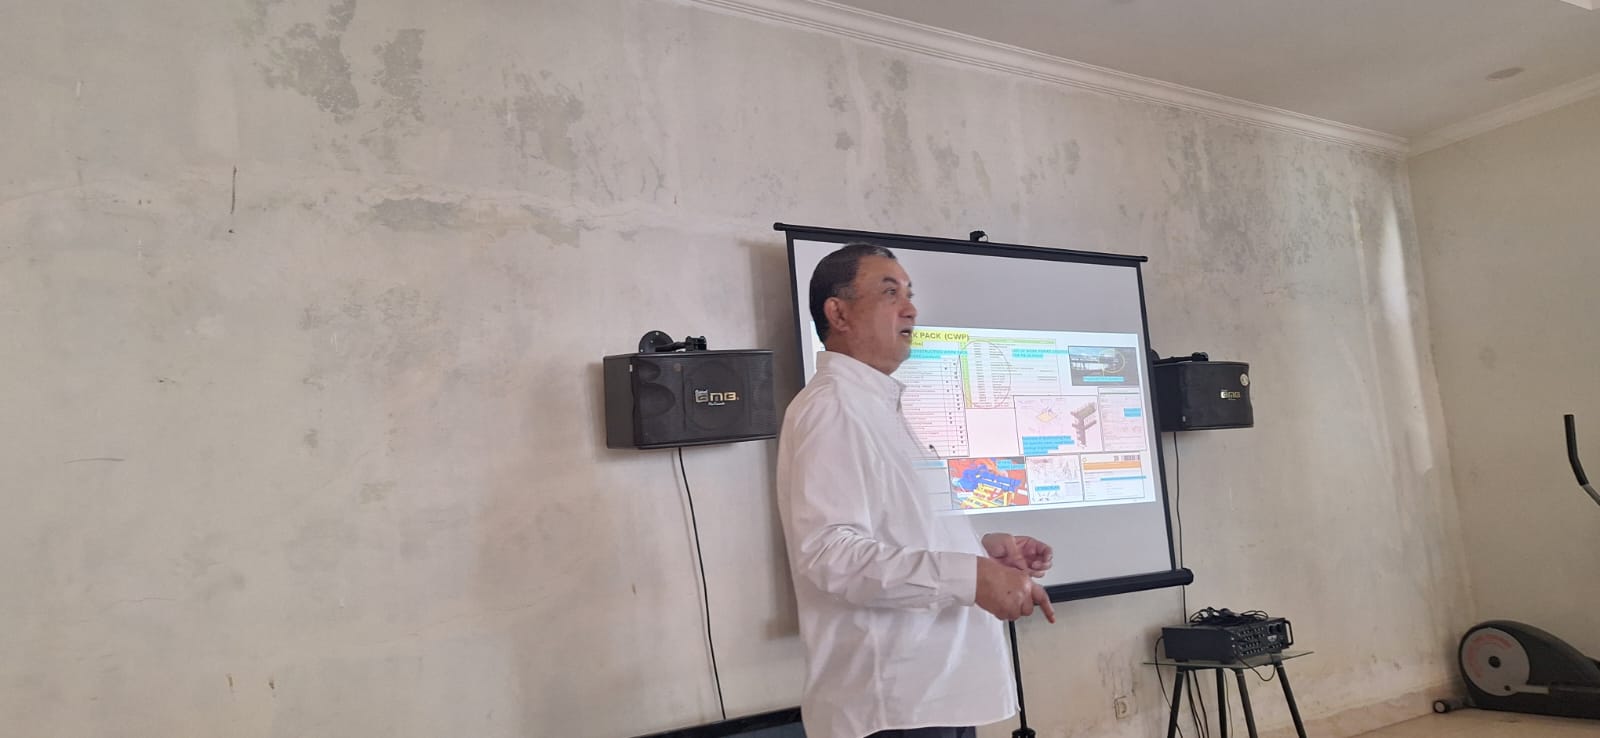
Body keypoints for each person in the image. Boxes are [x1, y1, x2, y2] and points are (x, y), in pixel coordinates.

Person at [776, 242, 1057, 738]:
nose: (910, 309)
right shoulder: (833, 408)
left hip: (932, 700)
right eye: (890, 293)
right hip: (894, 708)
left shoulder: (878, 406)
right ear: (838, 313)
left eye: (909, 293)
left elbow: (901, 530)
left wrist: (983, 553)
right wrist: (972, 577)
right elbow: (830, 555)